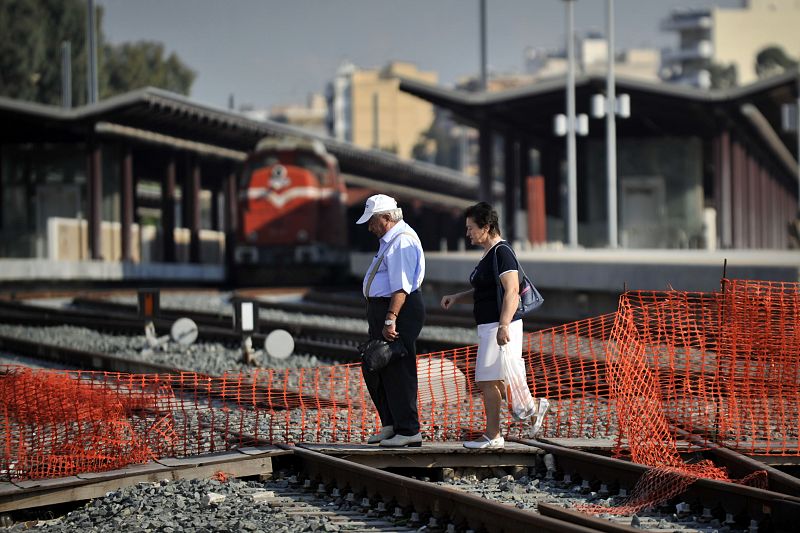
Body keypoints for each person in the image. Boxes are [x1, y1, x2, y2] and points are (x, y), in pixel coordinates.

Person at [440, 202, 549, 449]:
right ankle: (532, 410)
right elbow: (487, 288)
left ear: (486, 227)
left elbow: (512, 291)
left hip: (500, 326)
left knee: (486, 380)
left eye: (471, 228)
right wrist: (458, 296)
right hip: (490, 326)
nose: (467, 233)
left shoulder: (502, 252)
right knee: (497, 380)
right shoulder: (490, 254)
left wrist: (503, 325)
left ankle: (493, 435)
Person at [357, 194, 426, 448]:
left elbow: (401, 287)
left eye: (372, 221)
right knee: (375, 365)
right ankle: (391, 424)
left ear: (386, 218)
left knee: (399, 369)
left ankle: (408, 430)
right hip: (385, 310)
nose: (369, 227)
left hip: (398, 310)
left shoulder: (400, 242)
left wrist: (390, 319)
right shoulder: (390, 240)